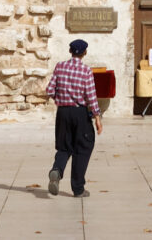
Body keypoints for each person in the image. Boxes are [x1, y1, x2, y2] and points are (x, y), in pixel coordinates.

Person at [44, 38, 102, 198]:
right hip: (79, 113)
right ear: (85, 53)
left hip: (63, 113)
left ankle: (57, 170)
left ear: (70, 51)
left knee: (64, 146)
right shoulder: (86, 71)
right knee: (83, 147)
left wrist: (58, 100)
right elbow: (91, 96)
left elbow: (49, 90)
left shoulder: (60, 67)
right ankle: (78, 188)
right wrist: (97, 116)